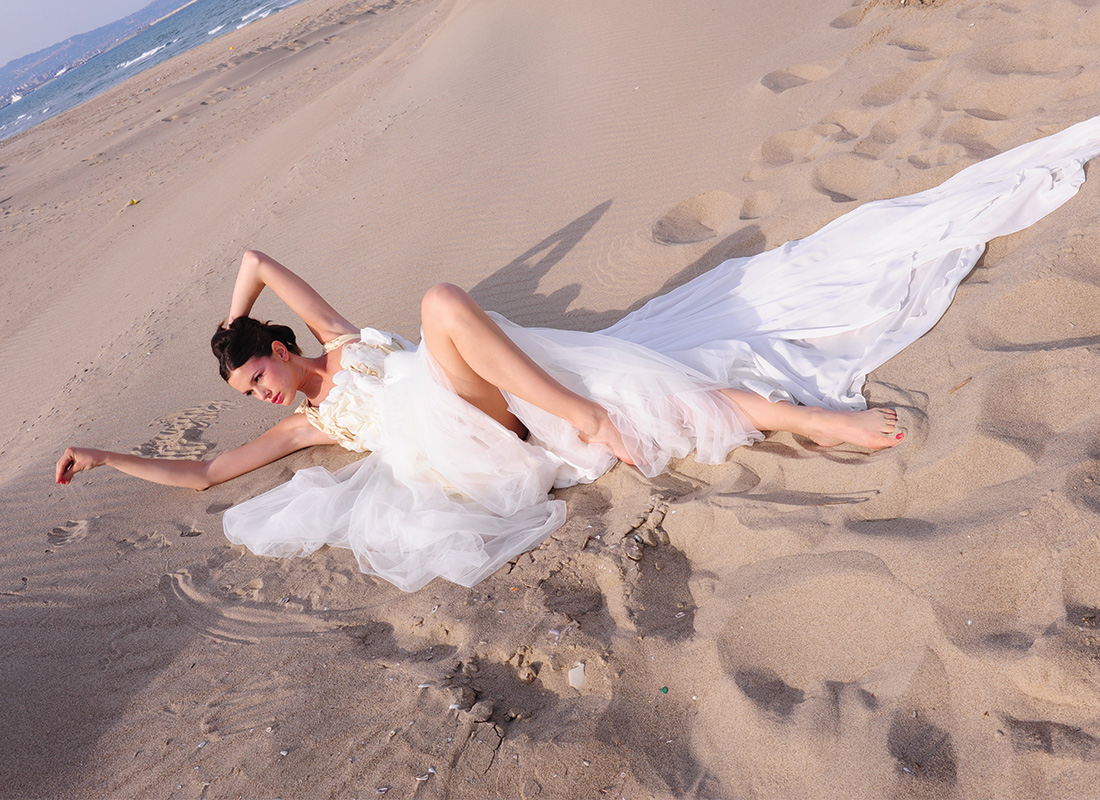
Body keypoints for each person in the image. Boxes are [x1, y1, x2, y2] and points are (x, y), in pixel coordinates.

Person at [56, 113, 1100, 591]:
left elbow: (250, 254)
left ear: (281, 341)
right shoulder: (308, 419)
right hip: (480, 445)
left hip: (508, 387)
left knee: (663, 372)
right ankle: (592, 413)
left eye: (254, 369)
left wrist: (231, 322)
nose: (255, 391)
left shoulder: (333, 339)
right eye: (245, 386)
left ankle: (801, 417)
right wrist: (105, 456)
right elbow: (202, 472)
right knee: (444, 304)